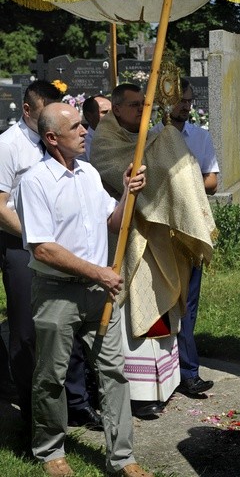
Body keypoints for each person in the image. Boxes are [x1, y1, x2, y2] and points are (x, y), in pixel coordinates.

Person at [14, 101, 151, 477]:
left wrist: (127, 193)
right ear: (52, 137)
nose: (85, 130)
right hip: (58, 293)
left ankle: (122, 458)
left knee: (114, 372)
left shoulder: (89, 173)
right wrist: (99, 272)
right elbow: (43, 247)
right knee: (51, 375)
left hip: (98, 294)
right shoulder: (34, 182)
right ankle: (51, 450)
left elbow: (112, 221)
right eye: (75, 126)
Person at [90, 83, 215, 418]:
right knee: (136, 312)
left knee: (162, 307)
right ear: (116, 108)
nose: (140, 110)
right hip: (127, 239)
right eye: (133, 105)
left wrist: (165, 143)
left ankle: (165, 383)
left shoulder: (148, 136)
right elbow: (121, 174)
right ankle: (139, 393)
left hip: (158, 237)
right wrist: (160, 148)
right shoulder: (105, 140)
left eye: (143, 104)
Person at [0, 79, 100, 430]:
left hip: (68, 246)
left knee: (69, 325)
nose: (51, 124)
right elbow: (0, 207)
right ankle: (33, 411)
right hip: (22, 245)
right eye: (45, 115)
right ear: (28, 110)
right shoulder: (9, 146)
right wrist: (38, 236)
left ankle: (76, 403)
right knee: (28, 330)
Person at [151, 78, 219, 396]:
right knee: (160, 300)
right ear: (165, 102)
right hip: (161, 230)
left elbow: (212, 181)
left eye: (189, 101)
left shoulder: (200, 137)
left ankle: (188, 371)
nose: (186, 106)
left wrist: (184, 185)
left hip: (189, 231)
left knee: (188, 303)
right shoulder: (152, 138)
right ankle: (159, 370)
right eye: (180, 100)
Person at [79, 94, 111, 161]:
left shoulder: (124, 136)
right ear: (89, 116)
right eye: (105, 112)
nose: (111, 116)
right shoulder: (81, 146)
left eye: (112, 112)